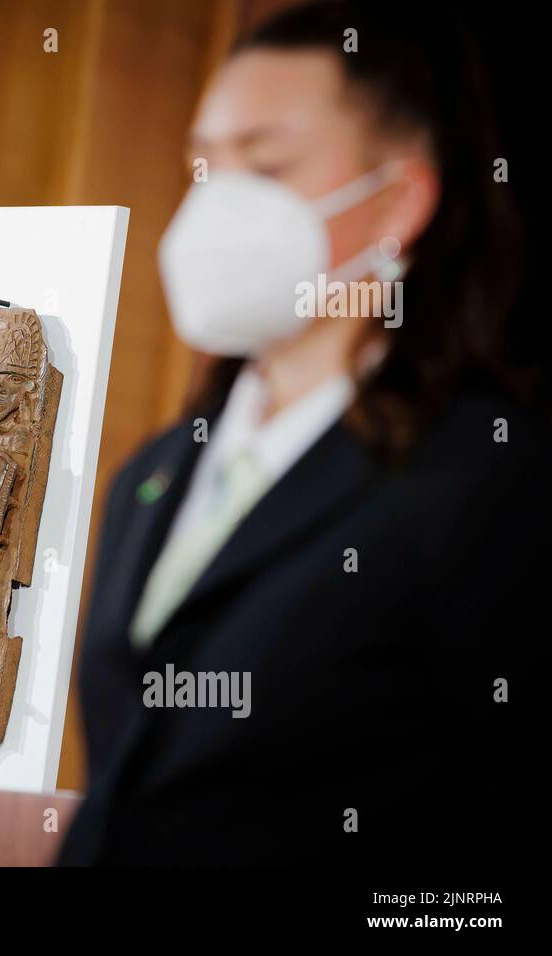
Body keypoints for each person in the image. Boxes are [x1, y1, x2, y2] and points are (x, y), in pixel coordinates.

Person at [59, 0, 546, 865]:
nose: (219, 205)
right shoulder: (153, 475)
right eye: (204, 166)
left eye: (268, 164)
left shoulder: (487, 483)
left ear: (398, 200)